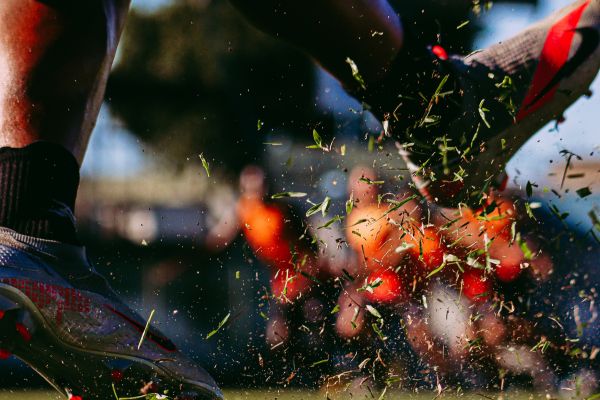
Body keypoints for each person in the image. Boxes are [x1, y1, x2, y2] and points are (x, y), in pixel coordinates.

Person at [0, 0, 597, 398]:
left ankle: (25, 221)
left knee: (456, 329)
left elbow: (361, 247)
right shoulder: (293, 212)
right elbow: (255, 238)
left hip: (391, 285)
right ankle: (432, 103)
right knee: (344, 325)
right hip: (318, 287)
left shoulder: (372, 216)